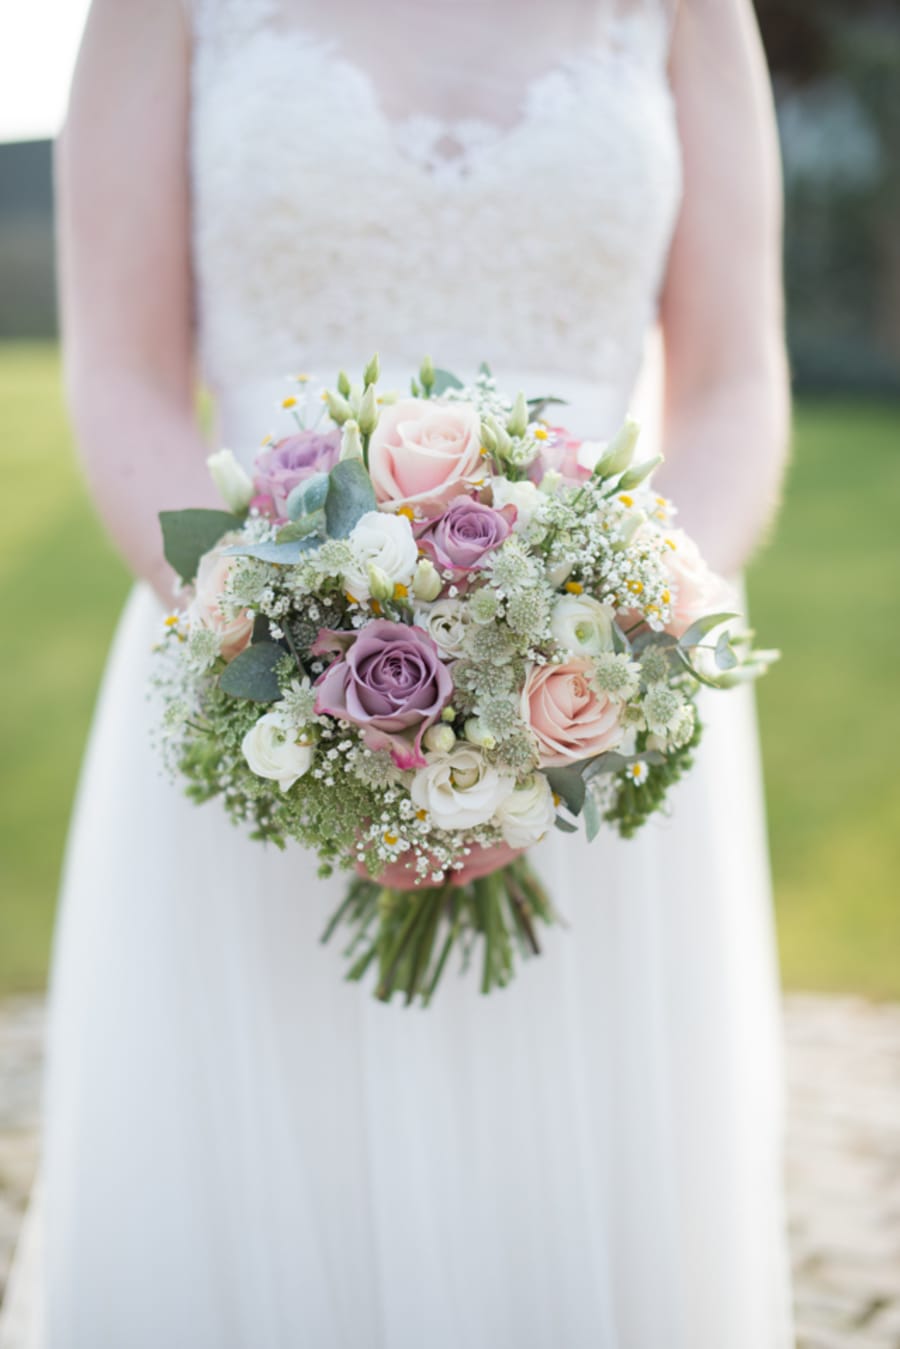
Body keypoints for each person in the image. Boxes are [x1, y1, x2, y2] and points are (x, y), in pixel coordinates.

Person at [0, 0, 793, 1345]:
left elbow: (732, 387)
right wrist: (289, 650)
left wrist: (605, 654)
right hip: (254, 685)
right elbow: (124, 376)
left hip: (597, 707)